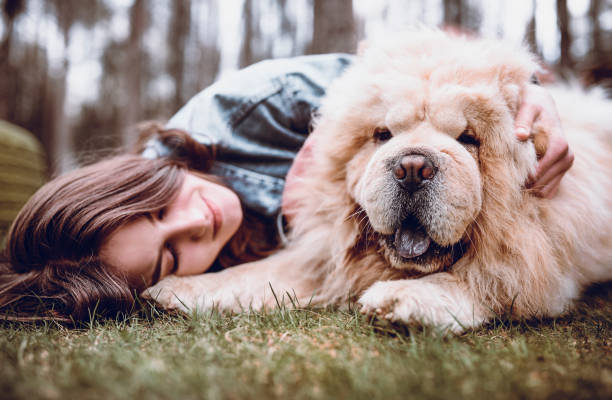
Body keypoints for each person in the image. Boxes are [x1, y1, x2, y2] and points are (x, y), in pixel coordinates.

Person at [0, 54, 574, 321]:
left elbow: (420, 75)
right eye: (172, 256)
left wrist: (530, 91)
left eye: (157, 210)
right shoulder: (203, 258)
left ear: (134, 179)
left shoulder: (253, 104)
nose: (196, 222)